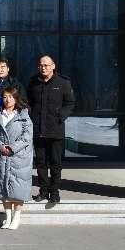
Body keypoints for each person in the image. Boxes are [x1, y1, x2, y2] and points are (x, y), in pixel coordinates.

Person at [27, 55, 75, 204]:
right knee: (41, 163)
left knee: (55, 163)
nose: (43, 68)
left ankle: (54, 193)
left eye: (46, 65)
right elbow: (28, 102)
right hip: (38, 129)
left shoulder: (63, 82)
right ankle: (43, 191)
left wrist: (60, 116)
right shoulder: (33, 82)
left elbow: (70, 103)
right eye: (41, 65)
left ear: (53, 66)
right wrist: (31, 116)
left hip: (55, 130)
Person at [0, 87, 34, 230]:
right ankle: (8, 217)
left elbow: (27, 136)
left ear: (16, 99)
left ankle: (16, 217)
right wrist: (0, 146)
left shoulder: (23, 115)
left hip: (19, 157)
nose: (8, 100)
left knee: (18, 188)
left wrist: (12, 148)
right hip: (2, 155)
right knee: (3, 187)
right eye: (5, 97)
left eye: (11, 97)